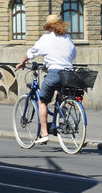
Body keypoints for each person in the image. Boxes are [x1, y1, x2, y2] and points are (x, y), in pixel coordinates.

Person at [15, 13, 76, 145]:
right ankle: (60, 114)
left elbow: (32, 52)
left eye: (48, 27)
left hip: (55, 73)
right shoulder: (68, 38)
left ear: (50, 27)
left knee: (42, 102)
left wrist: (22, 62)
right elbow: (73, 55)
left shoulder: (47, 38)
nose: (48, 30)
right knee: (58, 92)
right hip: (69, 73)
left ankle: (44, 133)